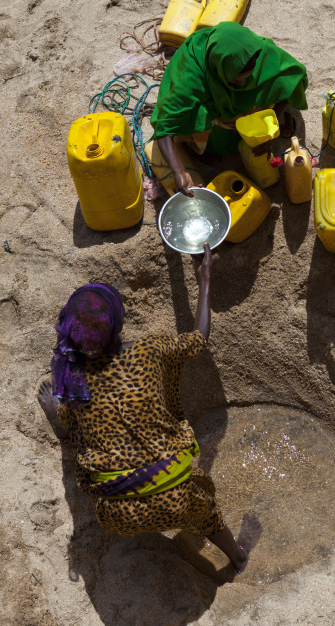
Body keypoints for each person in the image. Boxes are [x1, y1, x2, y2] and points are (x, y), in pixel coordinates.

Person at [38, 244, 247, 571]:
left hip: (118, 514)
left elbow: (68, 430)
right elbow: (198, 340)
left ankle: (147, 526)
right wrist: (205, 280)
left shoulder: (73, 377)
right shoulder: (149, 351)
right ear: (117, 323)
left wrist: (55, 409)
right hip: (177, 495)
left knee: (82, 435)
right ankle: (236, 555)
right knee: (206, 515)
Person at [150, 20, 309, 196]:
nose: (241, 84)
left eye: (247, 78)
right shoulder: (189, 77)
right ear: (218, 70)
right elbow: (164, 126)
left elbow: (294, 77)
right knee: (216, 143)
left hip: (237, 99)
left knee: (270, 84)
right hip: (213, 109)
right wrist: (179, 171)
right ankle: (205, 149)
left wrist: (271, 125)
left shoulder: (254, 51)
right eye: (235, 80)